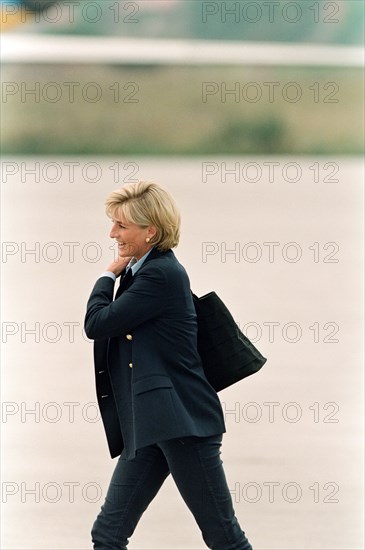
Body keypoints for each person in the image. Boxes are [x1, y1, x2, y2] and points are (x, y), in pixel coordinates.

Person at [84, 181, 253, 550]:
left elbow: (97, 324)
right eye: (113, 223)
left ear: (151, 232)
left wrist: (105, 276)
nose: (112, 233)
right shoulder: (142, 272)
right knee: (108, 535)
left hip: (183, 425)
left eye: (121, 225)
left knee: (224, 537)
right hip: (152, 424)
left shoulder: (160, 275)